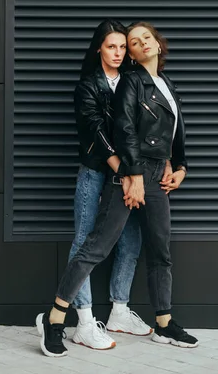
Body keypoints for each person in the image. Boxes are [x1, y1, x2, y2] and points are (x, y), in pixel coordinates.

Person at [36, 22, 198, 357]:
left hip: (154, 175)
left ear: (156, 44)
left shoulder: (165, 83)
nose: (127, 49)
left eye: (137, 42)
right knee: (93, 245)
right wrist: (131, 174)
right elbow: (123, 129)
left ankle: (163, 323)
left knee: (156, 249)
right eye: (127, 44)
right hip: (119, 173)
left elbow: (175, 131)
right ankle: (57, 318)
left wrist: (180, 167)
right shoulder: (129, 81)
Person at [69, 20, 151, 350]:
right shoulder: (88, 86)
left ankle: (119, 310)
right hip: (96, 173)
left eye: (121, 47)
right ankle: (85, 322)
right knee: (84, 242)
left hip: (130, 174)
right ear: (98, 49)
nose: (117, 53)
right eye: (110, 46)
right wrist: (126, 172)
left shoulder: (135, 82)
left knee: (131, 238)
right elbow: (97, 135)